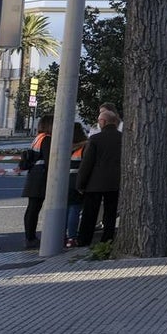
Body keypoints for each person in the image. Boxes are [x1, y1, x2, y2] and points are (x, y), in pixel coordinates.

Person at [76, 104, 123, 247]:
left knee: (90, 214)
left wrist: (80, 183)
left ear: (103, 122)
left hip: (94, 183)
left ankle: (84, 241)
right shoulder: (123, 138)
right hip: (115, 182)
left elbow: (87, 163)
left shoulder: (95, 139)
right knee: (110, 214)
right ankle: (107, 240)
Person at [20, 115, 54, 249]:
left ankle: (29, 237)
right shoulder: (47, 139)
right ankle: (31, 238)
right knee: (34, 209)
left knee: (32, 208)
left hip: (34, 176)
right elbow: (50, 160)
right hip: (41, 177)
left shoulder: (38, 138)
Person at [64, 122, 89, 248]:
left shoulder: (63, 145)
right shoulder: (84, 147)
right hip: (76, 180)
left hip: (63, 181)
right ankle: (72, 237)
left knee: (65, 209)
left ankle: (61, 235)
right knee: (75, 208)